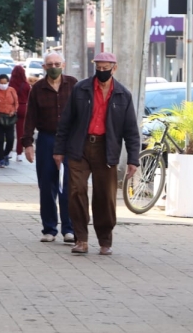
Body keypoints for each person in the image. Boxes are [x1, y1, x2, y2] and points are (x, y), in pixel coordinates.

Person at [53, 52, 140, 256]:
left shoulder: (122, 95)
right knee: (76, 191)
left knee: (105, 196)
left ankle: (105, 240)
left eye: (105, 68)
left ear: (114, 68)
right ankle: (81, 239)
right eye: (98, 68)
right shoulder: (80, 89)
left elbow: (131, 130)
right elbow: (65, 121)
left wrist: (133, 159)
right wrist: (58, 150)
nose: (102, 72)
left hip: (106, 150)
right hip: (79, 148)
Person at [23, 51, 77, 243]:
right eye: (50, 64)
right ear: (44, 67)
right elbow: (30, 117)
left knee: (69, 186)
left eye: (57, 64)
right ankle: (49, 229)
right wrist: (27, 143)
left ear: (63, 65)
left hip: (70, 141)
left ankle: (69, 229)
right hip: (46, 139)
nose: (54, 67)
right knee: (47, 185)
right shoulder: (37, 88)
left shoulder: (73, 84)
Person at [9, 65, 31, 162]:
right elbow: (30, 98)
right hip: (23, 108)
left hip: (11, 108)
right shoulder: (26, 85)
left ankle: (8, 151)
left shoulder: (10, 84)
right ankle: (19, 153)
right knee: (20, 132)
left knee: (9, 132)